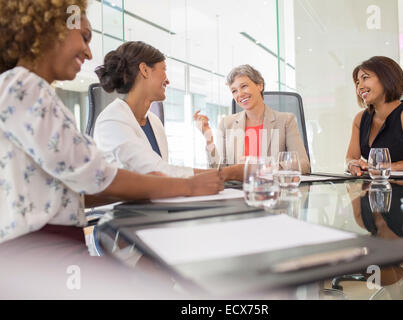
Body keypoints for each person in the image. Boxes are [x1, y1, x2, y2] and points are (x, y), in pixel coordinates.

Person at [0, 0, 223, 243]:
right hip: (40, 250)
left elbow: (78, 189)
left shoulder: (28, 90)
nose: (89, 53)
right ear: (52, 29)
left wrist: (160, 185)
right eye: (84, 38)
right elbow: (96, 176)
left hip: (49, 244)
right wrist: (187, 186)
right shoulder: (23, 87)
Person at [93, 41, 242, 180]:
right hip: (124, 208)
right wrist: (229, 173)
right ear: (144, 70)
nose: (168, 80)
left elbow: (164, 175)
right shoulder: (112, 120)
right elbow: (157, 172)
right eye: (163, 69)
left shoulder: (154, 121)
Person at [193, 64, 310, 173]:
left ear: (260, 85)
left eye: (244, 86)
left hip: (273, 191)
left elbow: (304, 165)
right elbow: (216, 171)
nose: (240, 94)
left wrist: (267, 167)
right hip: (239, 191)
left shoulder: (285, 120)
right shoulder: (226, 123)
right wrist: (208, 138)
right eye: (234, 91)